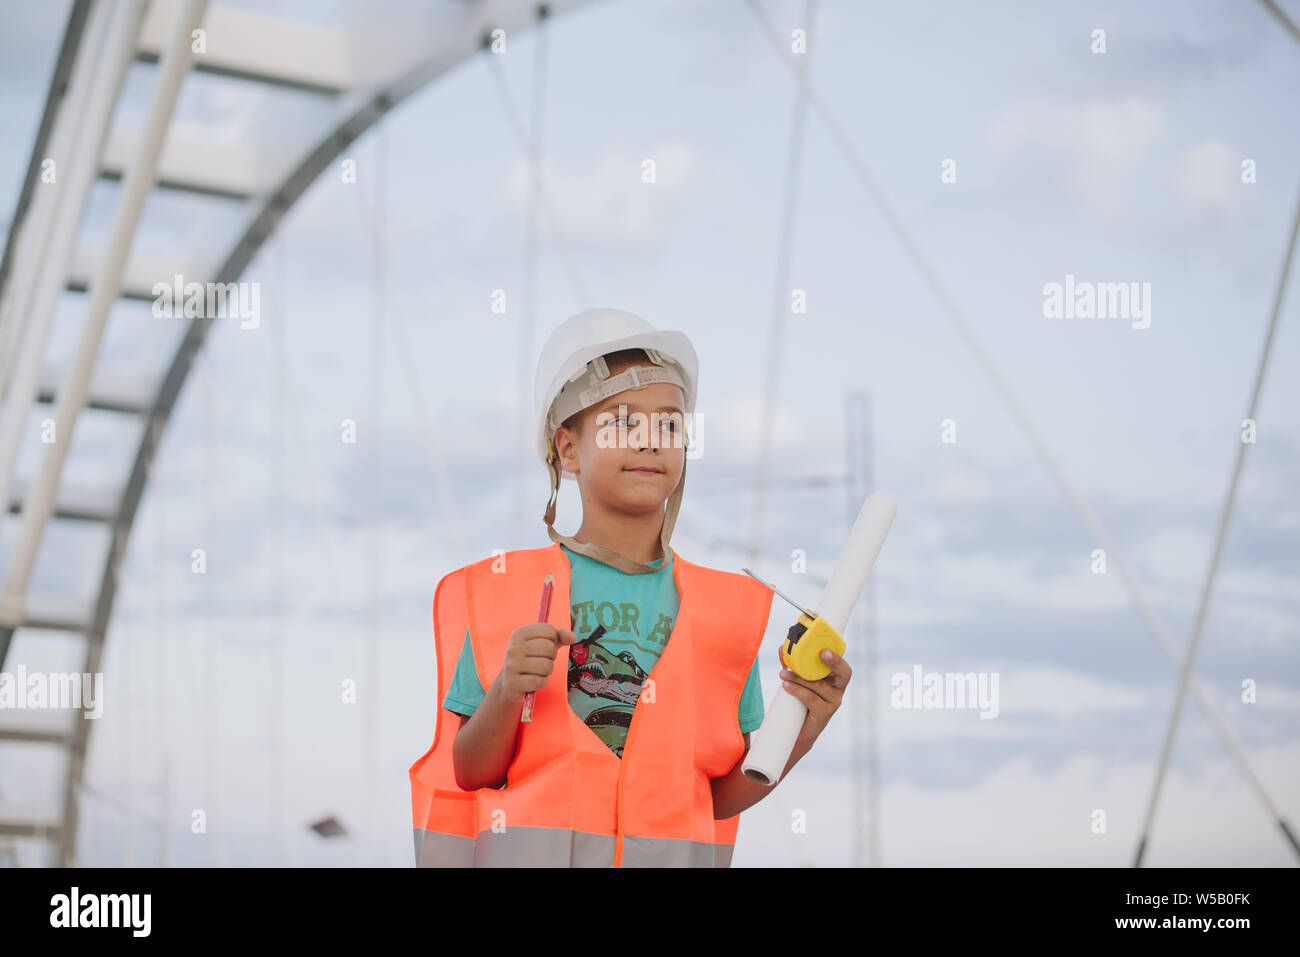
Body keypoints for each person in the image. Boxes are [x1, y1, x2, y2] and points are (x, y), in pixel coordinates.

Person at [409, 308, 852, 867]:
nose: (650, 442)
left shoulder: (720, 616)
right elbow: (471, 769)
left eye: (668, 425)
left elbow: (718, 797)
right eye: (622, 422)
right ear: (567, 449)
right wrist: (504, 695)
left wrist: (803, 729)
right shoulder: (505, 593)